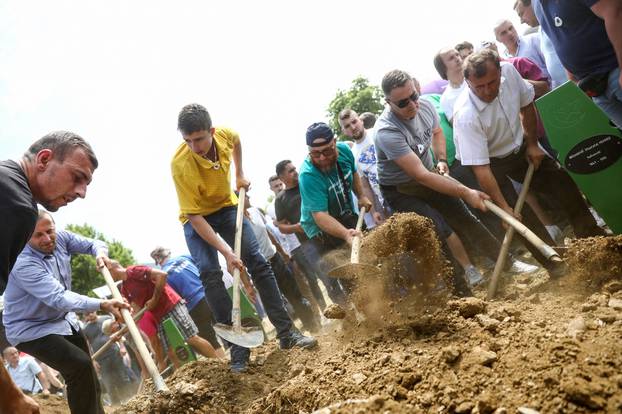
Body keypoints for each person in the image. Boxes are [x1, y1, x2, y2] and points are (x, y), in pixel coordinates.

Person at [170, 103, 317, 373]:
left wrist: (239, 173)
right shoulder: (180, 165)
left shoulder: (225, 135)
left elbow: (237, 142)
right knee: (210, 274)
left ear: (211, 132)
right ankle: (238, 349)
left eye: (199, 139)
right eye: (187, 141)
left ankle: (287, 334)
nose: (195, 146)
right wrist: (226, 253)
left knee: (258, 262)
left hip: (226, 207)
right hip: (196, 220)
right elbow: (195, 218)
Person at [0, 131, 129, 414]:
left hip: (60, 321)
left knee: (85, 370)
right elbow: (58, 297)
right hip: (30, 328)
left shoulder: (11, 187)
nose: (82, 192)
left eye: (87, 183)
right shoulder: (18, 208)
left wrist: (102, 255)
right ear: (44, 159)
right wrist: (10, 396)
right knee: (80, 365)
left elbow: (94, 243)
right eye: (77, 177)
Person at [453, 49, 607, 277]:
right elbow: (481, 169)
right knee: (519, 216)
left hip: (520, 145)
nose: (487, 91)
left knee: (561, 182)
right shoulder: (466, 115)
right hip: (489, 164)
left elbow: (526, 105)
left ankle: (591, 237)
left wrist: (533, 144)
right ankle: (556, 266)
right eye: (479, 86)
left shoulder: (509, 71)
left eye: (492, 83)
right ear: (468, 82)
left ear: (500, 71)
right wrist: (505, 210)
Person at [297, 123, 373, 298]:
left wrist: (361, 195)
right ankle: (364, 312)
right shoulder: (308, 176)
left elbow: (353, 173)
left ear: (335, 143)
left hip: (344, 213)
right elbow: (320, 216)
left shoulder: (345, 151)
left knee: (369, 253)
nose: (322, 158)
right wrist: (346, 234)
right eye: (315, 154)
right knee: (348, 272)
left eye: (327, 151)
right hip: (320, 228)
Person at [108, 261, 222, 365]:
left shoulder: (134, 271)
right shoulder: (124, 288)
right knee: (172, 351)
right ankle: (183, 381)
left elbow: (162, 275)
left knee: (191, 338)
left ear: (111, 269)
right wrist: (122, 331)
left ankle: (219, 365)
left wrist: (154, 299)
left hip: (171, 305)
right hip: (159, 315)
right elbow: (138, 313)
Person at [531, 0, 622, 127]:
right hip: (594, 90)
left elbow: (614, 11)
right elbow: (560, 39)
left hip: (615, 70)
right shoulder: (536, 4)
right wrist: (573, 81)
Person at [243, 196, 319, 332]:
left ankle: (312, 326)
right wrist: (247, 282)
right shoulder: (235, 224)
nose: (248, 196)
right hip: (260, 268)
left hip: (275, 259)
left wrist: (283, 254)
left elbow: (268, 233)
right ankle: (292, 333)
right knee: (277, 304)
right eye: (245, 196)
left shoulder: (255, 211)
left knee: (296, 294)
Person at [274, 160, 331, 310]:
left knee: (339, 266)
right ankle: (340, 312)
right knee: (326, 277)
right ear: (282, 177)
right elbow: (281, 226)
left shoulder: (307, 184)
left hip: (329, 232)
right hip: (308, 243)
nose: (295, 172)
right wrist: (297, 227)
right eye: (291, 171)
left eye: (295, 168)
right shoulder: (281, 199)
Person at [150, 247, 225, 358]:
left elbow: (175, 296)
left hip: (195, 304)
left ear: (158, 262)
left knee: (209, 338)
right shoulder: (185, 257)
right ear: (168, 254)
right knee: (226, 326)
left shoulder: (163, 275)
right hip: (209, 293)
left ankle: (223, 362)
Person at [338, 108, 387, 228]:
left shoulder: (378, 132)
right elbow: (365, 186)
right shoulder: (352, 155)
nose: (353, 127)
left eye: (354, 122)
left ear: (361, 120)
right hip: (385, 200)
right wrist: (374, 211)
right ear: (343, 130)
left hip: (402, 187)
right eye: (347, 126)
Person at [513, 0, 568, 88]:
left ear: (532, 4)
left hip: (580, 82)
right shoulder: (541, 31)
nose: (521, 21)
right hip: (567, 87)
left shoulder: (553, 19)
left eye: (521, 14)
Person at [82, 311, 133, 406]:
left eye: (91, 312)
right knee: (108, 382)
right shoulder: (86, 329)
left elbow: (118, 333)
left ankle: (129, 398)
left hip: (114, 352)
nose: (90, 314)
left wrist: (122, 346)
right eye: (87, 314)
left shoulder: (106, 319)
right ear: (85, 316)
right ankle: (116, 405)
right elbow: (87, 345)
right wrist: (93, 360)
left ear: (95, 311)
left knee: (122, 377)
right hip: (100, 359)